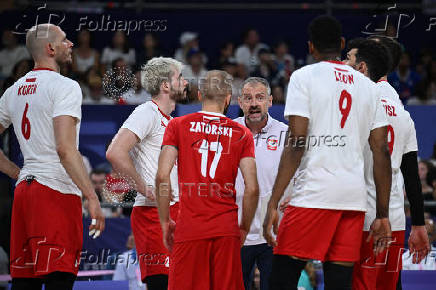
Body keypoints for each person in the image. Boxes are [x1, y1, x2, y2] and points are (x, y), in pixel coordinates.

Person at [263, 15, 392, 290]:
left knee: (281, 278)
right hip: (353, 199)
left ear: (311, 47)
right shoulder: (370, 88)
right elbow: (381, 150)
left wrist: (274, 202)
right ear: (342, 43)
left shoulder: (303, 77)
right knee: (339, 282)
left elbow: (296, 142)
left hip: (314, 194)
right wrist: (382, 214)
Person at [0, 23, 104, 289]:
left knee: (25, 283)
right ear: (50, 48)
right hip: (55, 190)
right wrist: (92, 196)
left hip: (25, 191)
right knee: (60, 279)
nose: (70, 44)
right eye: (65, 40)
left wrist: (17, 172)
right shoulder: (65, 86)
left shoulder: (13, 90)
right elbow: (65, 149)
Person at [156, 70, 259, 290]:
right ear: (229, 98)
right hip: (226, 229)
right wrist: (243, 228)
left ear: (200, 95)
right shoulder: (242, 133)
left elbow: (162, 176)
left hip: (190, 229)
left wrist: (165, 221)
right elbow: (252, 189)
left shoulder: (178, 125)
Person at [345, 37, 430, 290]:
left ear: (363, 66)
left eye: (349, 58)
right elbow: (412, 175)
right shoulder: (401, 111)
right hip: (394, 221)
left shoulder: (359, 104)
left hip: (363, 219)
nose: (343, 63)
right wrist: (418, 224)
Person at [106, 57, 187, 290]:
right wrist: (144, 188)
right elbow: (115, 152)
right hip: (153, 213)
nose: (184, 82)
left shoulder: (170, 121)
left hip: (175, 210)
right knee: (161, 284)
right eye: (179, 77)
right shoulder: (147, 112)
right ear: (165, 86)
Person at [234, 77, 288, 290]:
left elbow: (304, 175)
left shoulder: (286, 134)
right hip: (236, 232)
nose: (254, 103)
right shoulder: (229, 132)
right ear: (240, 103)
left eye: (260, 97)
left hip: (275, 233)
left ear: (270, 101)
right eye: (248, 98)